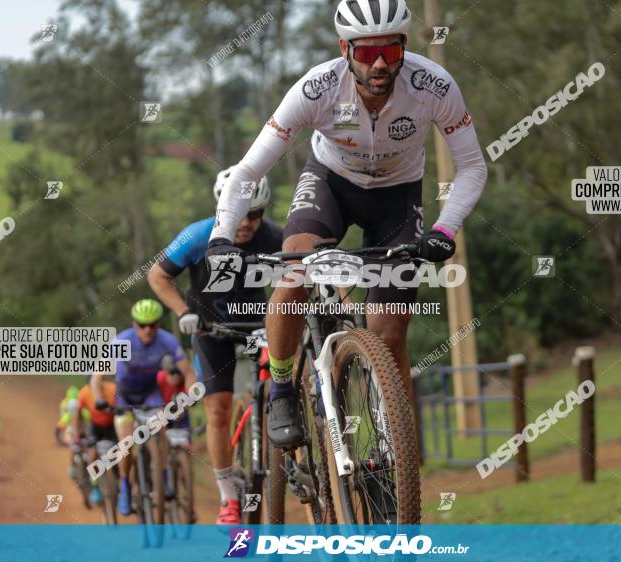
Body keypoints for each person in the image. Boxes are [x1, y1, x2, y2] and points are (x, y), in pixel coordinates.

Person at [205, 0, 487, 450]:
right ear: (345, 49)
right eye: (366, 52)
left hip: (399, 195)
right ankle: (280, 389)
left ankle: (390, 450)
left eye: (390, 52)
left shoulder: (434, 85)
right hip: (330, 184)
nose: (378, 63)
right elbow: (247, 173)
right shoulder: (316, 89)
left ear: (405, 46)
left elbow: (473, 166)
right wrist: (221, 237)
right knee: (296, 269)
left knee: (389, 332)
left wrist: (445, 229)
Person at [148, 172, 282, 525]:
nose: (247, 223)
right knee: (218, 409)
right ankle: (228, 500)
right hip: (211, 329)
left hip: (258, 326)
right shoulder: (198, 235)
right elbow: (157, 276)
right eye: (240, 214)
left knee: (283, 384)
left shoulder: (273, 237)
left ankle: (285, 454)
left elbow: (298, 277)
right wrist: (183, 312)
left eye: (255, 214)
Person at [89, 299, 197, 516]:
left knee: (162, 429)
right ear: (134, 323)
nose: (147, 329)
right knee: (126, 446)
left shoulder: (166, 341)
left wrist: (192, 392)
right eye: (141, 324)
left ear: (158, 324)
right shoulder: (122, 341)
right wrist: (99, 399)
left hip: (150, 395)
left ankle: (163, 476)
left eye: (153, 324)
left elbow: (187, 372)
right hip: (125, 398)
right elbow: (97, 378)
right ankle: (126, 488)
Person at [72, 379, 117, 505]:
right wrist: (76, 435)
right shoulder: (84, 392)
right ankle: (95, 486)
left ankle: (119, 484)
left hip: (112, 425)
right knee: (92, 455)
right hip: (95, 426)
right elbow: (77, 413)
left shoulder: (112, 389)